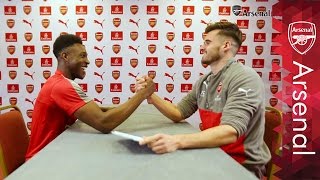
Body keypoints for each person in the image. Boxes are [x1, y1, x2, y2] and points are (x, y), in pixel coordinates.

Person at [136, 22, 271, 178]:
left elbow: (230, 132)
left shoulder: (245, 77)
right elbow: (178, 112)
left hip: (241, 167)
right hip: (213, 155)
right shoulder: (204, 81)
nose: (202, 47)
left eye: (208, 42)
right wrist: (150, 94)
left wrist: (176, 141)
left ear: (225, 45)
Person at [26, 34, 155, 160]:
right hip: (41, 162)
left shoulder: (60, 82)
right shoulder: (61, 87)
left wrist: (129, 107)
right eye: (82, 56)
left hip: (53, 156)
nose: (87, 61)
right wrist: (142, 94)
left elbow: (97, 111)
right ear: (65, 56)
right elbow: (104, 123)